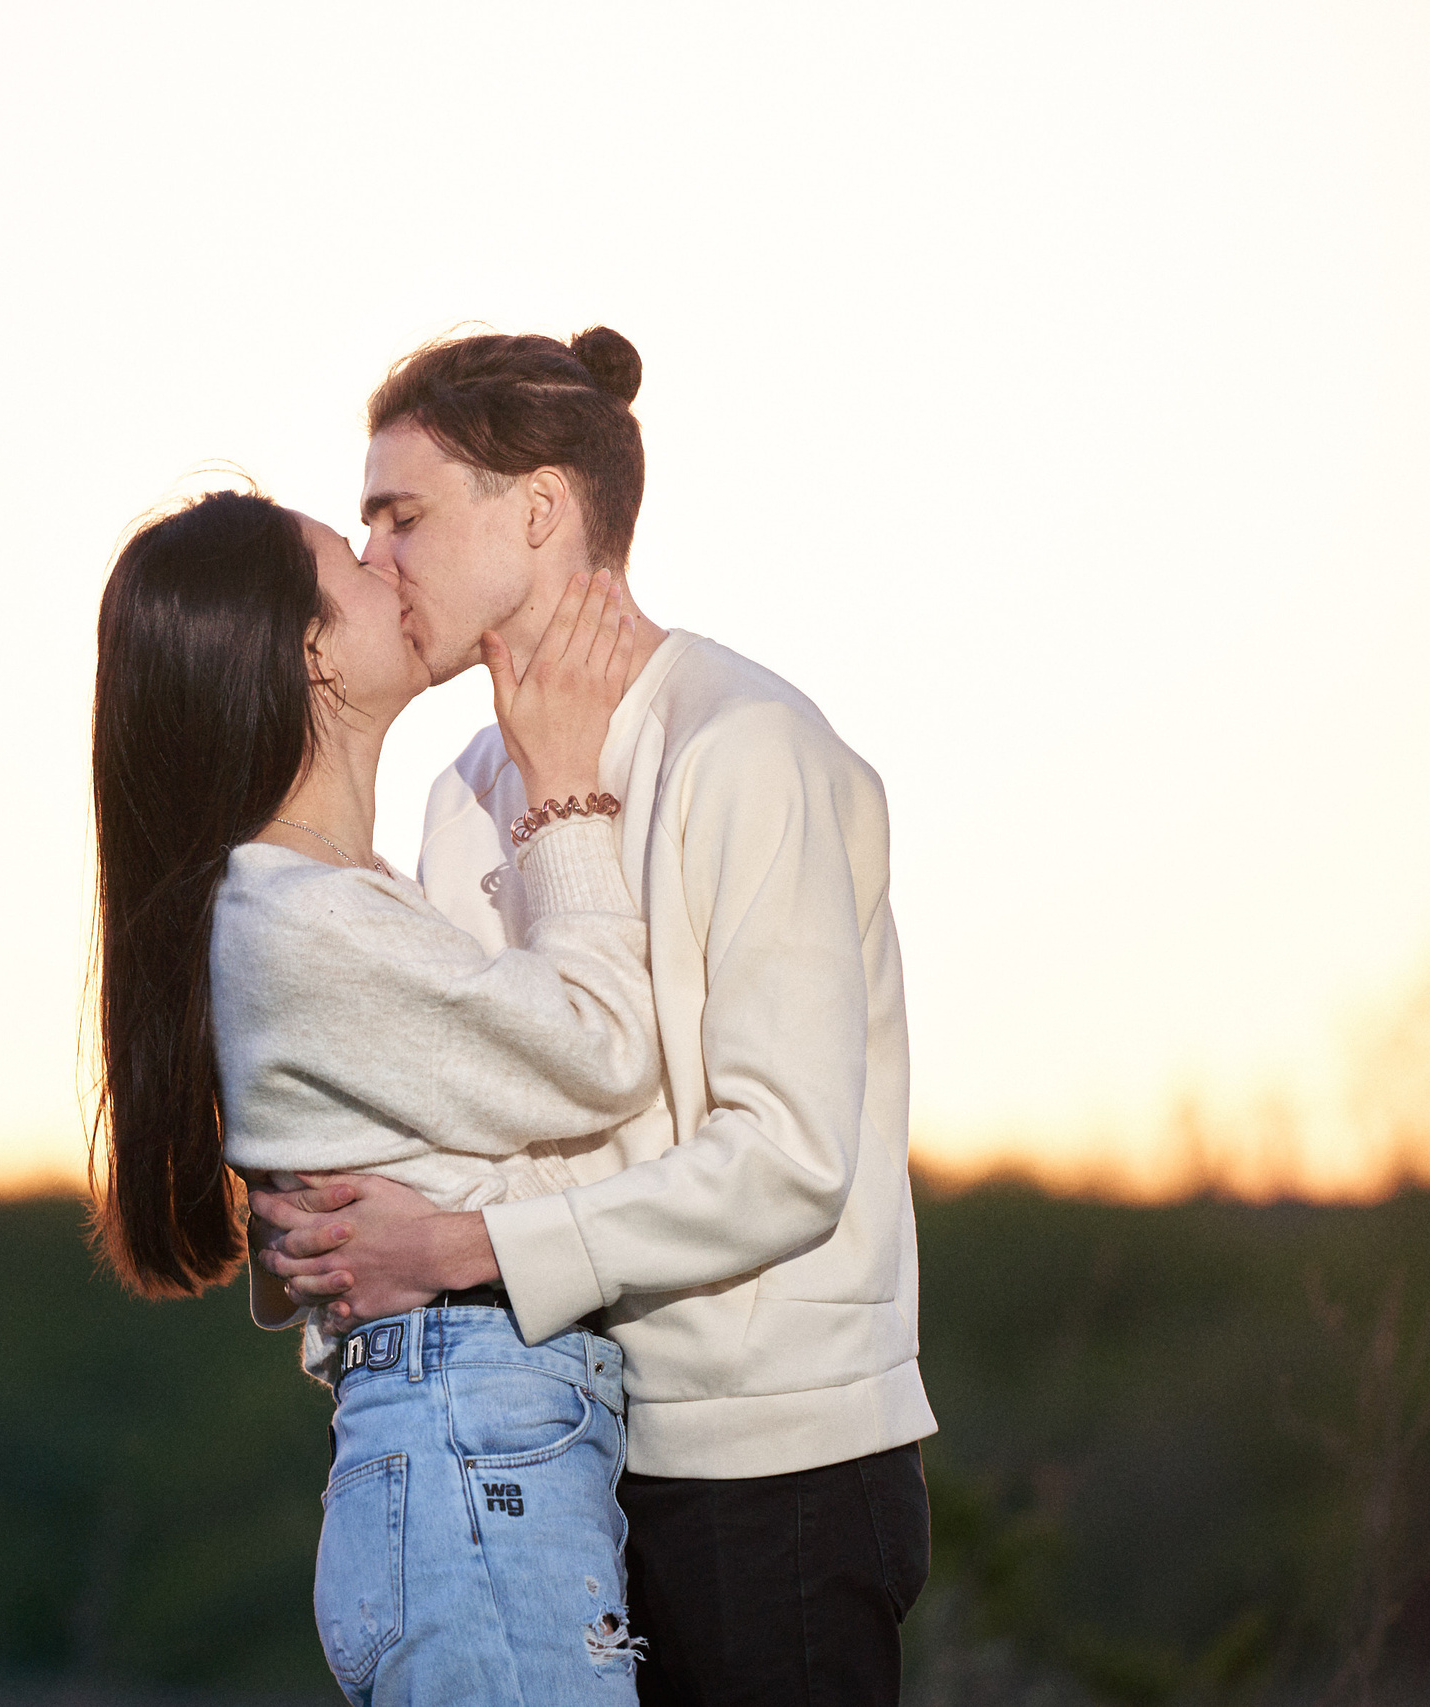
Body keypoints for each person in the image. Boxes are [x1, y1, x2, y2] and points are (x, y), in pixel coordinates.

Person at [250, 326, 937, 1706]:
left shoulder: (743, 744)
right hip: (564, 1454)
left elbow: (788, 1157)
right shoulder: (463, 788)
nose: (376, 558)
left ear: (543, 508)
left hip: (775, 1471)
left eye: (404, 514)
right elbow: (495, 1120)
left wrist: (452, 1245)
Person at [89, 487, 666, 1703]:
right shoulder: (305, 919)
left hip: (478, 1450)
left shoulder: (338, 898)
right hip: (477, 1456)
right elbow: (606, 1049)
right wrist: (564, 793)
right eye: (349, 554)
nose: (386, 563)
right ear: (309, 650)